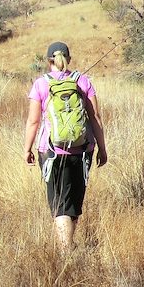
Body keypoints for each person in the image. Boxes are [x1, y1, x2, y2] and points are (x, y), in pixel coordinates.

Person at [23, 41, 108, 251]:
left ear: (48, 60)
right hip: (83, 150)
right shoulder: (82, 81)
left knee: (59, 204)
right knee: (74, 204)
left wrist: (27, 148)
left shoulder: (41, 84)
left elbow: (33, 121)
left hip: (51, 152)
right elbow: (95, 117)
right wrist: (102, 149)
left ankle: (65, 253)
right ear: (68, 59)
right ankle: (68, 246)